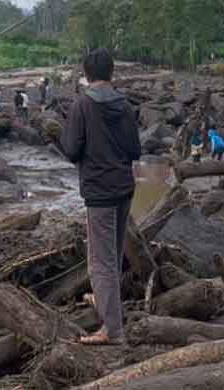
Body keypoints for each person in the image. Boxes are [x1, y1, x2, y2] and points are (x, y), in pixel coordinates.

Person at [59, 49, 141, 346]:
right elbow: (135, 151)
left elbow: (70, 150)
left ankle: (113, 330)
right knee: (114, 257)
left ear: (87, 73)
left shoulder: (82, 105)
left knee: (100, 262)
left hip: (99, 192)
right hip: (124, 187)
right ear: (112, 72)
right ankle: (109, 307)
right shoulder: (125, 105)